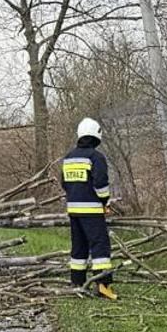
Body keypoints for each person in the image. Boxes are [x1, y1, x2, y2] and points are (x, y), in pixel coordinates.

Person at [61, 118, 115, 299]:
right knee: (100, 247)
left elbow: (64, 183)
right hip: (92, 211)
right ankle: (103, 285)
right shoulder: (96, 157)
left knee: (79, 248)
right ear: (96, 135)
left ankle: (77, 283)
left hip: (73, 211)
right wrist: (105, 201)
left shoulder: (68, 157)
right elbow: (101, 183)